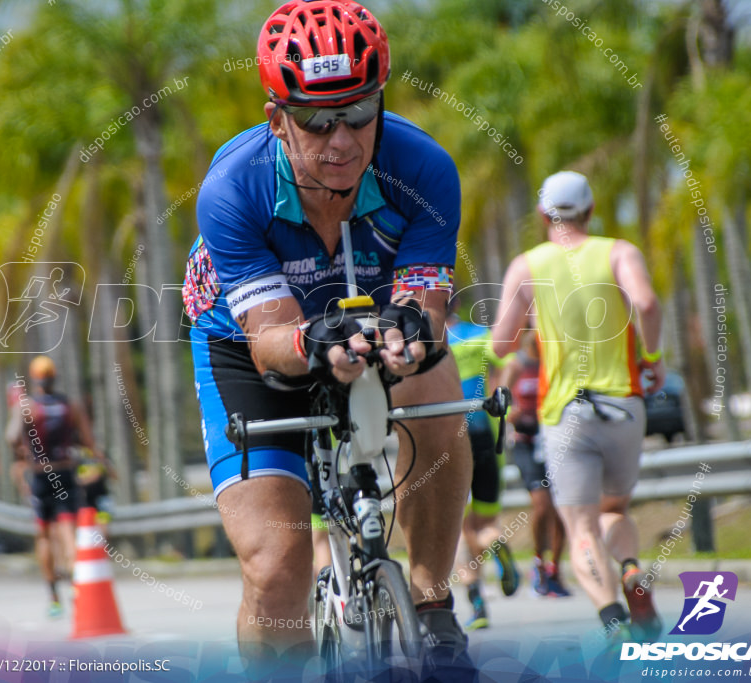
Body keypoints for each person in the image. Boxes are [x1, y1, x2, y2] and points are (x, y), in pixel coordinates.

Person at [181, 0, 473, 670]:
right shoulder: (232, 188)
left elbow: (424, 307)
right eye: (315, 120)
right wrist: (318, 343)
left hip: (363, 314)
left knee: (437, 380)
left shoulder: (424, 169)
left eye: (359, 112)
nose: (340, 139)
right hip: (249, 341)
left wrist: (410, 329)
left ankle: (431, 606)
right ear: (277, 119)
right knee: (277, 566)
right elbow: (271, 338)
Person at [492, 170, 665, 641]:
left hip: (565, 413)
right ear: (590, 211)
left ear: (543, 215)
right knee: (615, 511)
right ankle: (630, 569)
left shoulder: (527, 266)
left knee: (581, 526)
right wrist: (651, 358)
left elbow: (502, 343)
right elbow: (647, 305)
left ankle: (613, 621)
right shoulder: (619, 252)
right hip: (624, 404)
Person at [446, 306, 520, 630]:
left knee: (462, 529)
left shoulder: (427, 339)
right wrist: (502, 396)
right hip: (484, 433)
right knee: (486, 521)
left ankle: (477, 605)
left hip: (449, 441)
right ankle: (495, 543)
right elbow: (512, 362)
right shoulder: (476, 335)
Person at [6, 354, 95, 617]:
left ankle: (53, 595)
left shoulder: (26, 407)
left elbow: (11, 437)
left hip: (40, 475)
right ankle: (77, 587)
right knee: (68, 532)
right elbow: (88, 441)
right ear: (54, 378)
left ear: (35, 380)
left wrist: (23, 450)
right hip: (65, 472)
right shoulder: (70, 405)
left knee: (43, 534)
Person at [496, 328, 570, 598]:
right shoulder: (517, 365)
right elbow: (500, 398)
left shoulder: (557, 363)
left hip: (554, 440)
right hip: (526, 443)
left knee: (564, 508)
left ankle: (555, 570)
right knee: (542, 505)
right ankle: (538, 562)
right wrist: (511, 411)